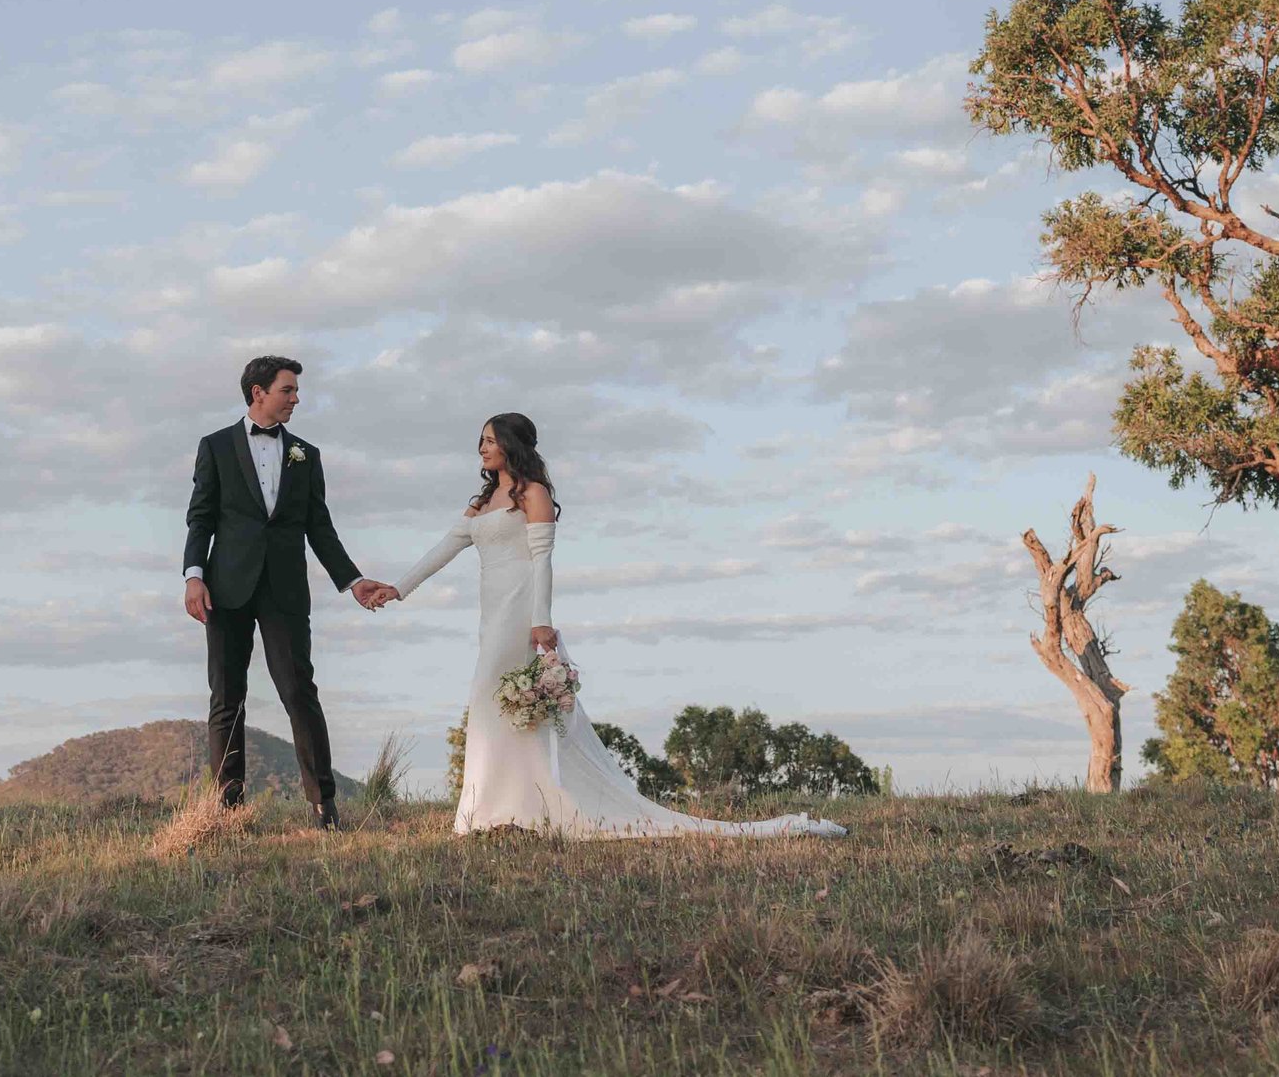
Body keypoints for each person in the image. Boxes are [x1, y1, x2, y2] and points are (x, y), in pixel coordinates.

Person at [388, 412, 847, 840]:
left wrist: (541, 621)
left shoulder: (533, 494)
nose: (482, 450)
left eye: (488, 441)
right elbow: (444, 548)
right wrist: (398, 589)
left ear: (510, 445)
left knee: (517, 706)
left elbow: (543, 561)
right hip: (491, 614)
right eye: (481, 442)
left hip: (522, 612)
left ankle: (530, 808)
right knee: (490, 703)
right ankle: (491, 810)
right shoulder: (484, 501)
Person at [181, 354, 396, 828]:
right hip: (226, 589)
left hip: (285, 591)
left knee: (299, 692)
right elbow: (201, 517)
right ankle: (228, 807)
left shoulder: (306, 454)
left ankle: (324, 806)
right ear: (259, 392)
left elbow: (320, 527)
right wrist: (194, 575)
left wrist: (353, 581)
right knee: (226, 697)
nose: (296, 398)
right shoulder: (214, 447)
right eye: (288, 390)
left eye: (296, 391)